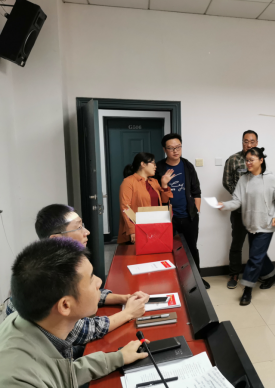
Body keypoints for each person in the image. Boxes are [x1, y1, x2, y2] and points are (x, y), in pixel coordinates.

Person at [0, 238, 149, 387]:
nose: (99, 282)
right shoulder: (20, 381)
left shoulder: (28, 318)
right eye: (91, 279)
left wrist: (118, 357)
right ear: (65, 305)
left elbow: (63, 374)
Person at [5, 204, 149, 351]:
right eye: (78, 227)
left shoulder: (56, 261)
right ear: (56, 239)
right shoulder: (47, 274)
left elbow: (81, 292)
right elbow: (83, 330)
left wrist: (124, 298)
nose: (87, 232)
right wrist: (129, 313)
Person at [219, 148, 275, 306]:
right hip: (250, 224)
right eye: (247, 160)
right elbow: (237, 201)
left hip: (267, 224)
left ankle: (247, 290)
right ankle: (272, 276)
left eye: (252, 160)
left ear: (261, 160)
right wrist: (224, 205)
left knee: (255, 257)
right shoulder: (244, 180)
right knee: (258, 254)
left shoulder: (271, 179)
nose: (248, 163)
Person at [155, 134, 209, 290]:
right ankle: (171, 281)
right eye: (171, 148)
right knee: (167, 250)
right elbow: (154, 192)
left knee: (192, 249)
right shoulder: (159, 168)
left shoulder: (187, 166)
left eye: (178, 147)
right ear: (165, 150)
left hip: (189, 217)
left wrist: (196, 210)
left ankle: (197, 280)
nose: (175, 151)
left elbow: (196, 190)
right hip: (168, 217)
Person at [223, 130, 259, 290]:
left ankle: (256, 274)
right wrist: (240, 196)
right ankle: (234, 274)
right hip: (239, 210)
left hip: (257, 210)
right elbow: (226, 181)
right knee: (237, 243)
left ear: (257, 143)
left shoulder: (260, 159)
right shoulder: (233, 160)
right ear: (242, 142)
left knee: (257, 244)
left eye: (252, 141)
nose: (249, 144)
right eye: (246, 141)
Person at [118, 152, 174, 245]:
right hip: (139, 228)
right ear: (143, 164)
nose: (155, 166)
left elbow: (164, 202)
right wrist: (132, 229)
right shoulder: (128, 182)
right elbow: (125, 208)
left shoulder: (154, 182)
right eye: (153, 163)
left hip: (156, 226)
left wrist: (164, 185)